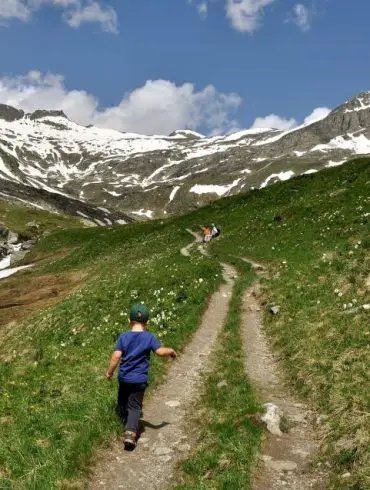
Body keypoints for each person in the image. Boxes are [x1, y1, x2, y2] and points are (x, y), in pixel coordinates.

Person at [106, 303, 177, 449]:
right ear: (147, 322)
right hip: (139, 380)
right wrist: (170, 350)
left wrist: (110, 372)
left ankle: (124, 421)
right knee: (135, 406)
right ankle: (130, 432)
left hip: (124, 378)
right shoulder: (149, 337)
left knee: (123, 398)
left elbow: (116, 357)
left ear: (129, 321)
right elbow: (159, 352)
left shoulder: (123, 337)